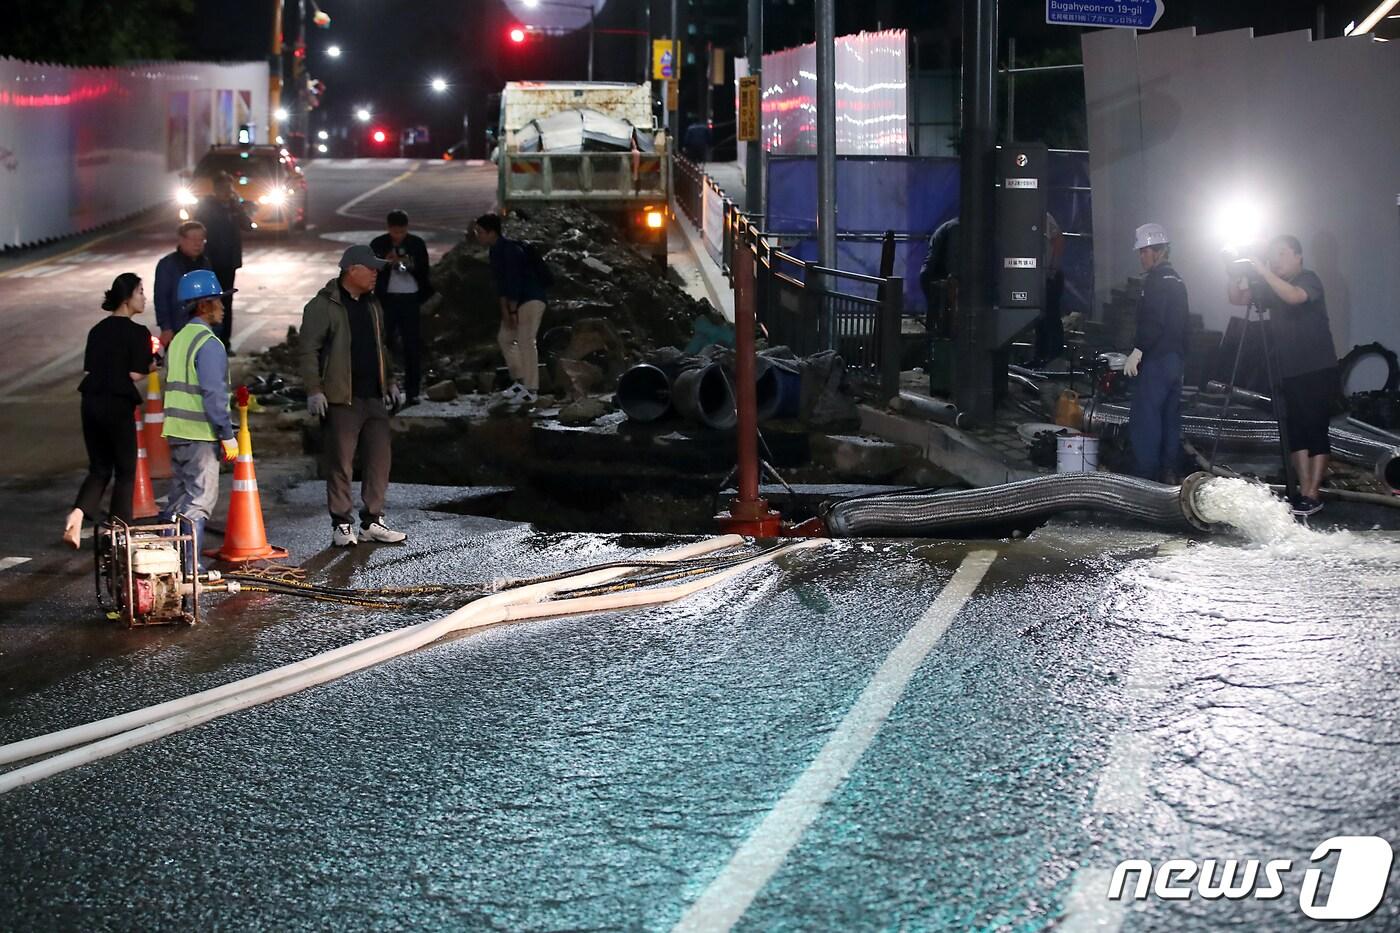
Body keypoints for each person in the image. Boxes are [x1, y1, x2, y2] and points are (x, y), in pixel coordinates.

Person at [299, 245, 407, 547]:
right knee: (341, 464)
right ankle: (342, 524)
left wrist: (391, 382)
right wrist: (314, 390)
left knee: (378, 462)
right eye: (370, 269)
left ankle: (372, 521)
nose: (375, 274)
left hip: (373, 397)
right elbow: (308, 350)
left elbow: (380, 347)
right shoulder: (322, 306)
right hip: (341, 399)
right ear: (351, 270)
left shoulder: (373, 305)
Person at [1228, 234, 1338, 515]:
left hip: (1316, 368)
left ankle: (1314, 493)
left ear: (1298, 256)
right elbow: (1238, 298)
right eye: (1272, 255)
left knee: (1315, 429)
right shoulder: (1273, 287)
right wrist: (1234, 272)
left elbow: (1294, 297)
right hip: (1288, 370)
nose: (1276, 260)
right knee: (1296, 432)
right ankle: (1303, 490)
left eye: (1282, 254)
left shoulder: (1308, 279)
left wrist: (1263, 270)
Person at [62, 274, 156, 547]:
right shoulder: (138, 332)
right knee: (126, 470)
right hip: (117, 404)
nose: (144, 297)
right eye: (140, 291)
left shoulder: (98, 330)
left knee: (100, 468)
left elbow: (90, 368)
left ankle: (77, 516)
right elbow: (136, 374)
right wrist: (154, 363)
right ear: (127, 298)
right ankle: (117, 532)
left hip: (90, 401)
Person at [161, 270, 240, 565]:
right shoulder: (209, 343)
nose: (222, 307)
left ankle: (167, 561)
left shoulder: (180, 340)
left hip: (177, 431)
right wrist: (226, 434)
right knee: (200, 500)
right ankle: (189, 565)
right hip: (200, 433)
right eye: (217, 301)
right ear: (204, 305)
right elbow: (213, 394)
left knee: (179, 498)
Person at [1123, 223, 1189, 483]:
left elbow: (1153, 321)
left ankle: (1145, 480)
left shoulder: (1156, 281)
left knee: (1146, 420)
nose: (1141, 256)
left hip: (1157, 360)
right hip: (1175, 361)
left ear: (1158, 251)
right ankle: (1169, 475)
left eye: (1144, 251)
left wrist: (1138, 350)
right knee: (1170, 420)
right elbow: (1185, 325)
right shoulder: (1178, 280)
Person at [474, 213, 548, 403]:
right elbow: (501, 285)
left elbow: (514, 282)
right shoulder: (495, 252)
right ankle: (520, 381)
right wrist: (505, 311)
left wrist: (513, 311)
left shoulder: (511, 251)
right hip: (515, 303)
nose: (477, 235)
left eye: (480, 232)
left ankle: (531, 390)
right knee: (505, 338)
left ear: (492, 233)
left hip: (530, 299)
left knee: (526, 341)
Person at [372, 209, 434, 407]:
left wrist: (408, 263)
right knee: (384, 344)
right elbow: (369, 268)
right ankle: (383, 389)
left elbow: (424, 270)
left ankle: (413, 391)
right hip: (387, 299)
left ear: (407, 229)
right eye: (394, 232)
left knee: (411, 345)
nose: (397, 236)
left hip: (411, 298)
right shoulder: (379, 244)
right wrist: (386, 262)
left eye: (401, 232)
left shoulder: (416, 244)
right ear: (389, 228)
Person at [194, 171, 250, 353]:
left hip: (229, 262)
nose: (227, 191)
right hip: (211, 261)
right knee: (209, 302)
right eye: (224, 188)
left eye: (229, 187)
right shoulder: (207, 206)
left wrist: (238, 207)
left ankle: (225, 342)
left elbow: (247, 225)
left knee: (226, 302)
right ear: (216, 189)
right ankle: (209, 340)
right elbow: (197, 227)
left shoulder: (233, 207)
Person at [153, 222, 211, 347]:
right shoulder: (167, 265)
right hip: (177, 328)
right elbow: (161, 298)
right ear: (181, 240)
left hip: (203, 326)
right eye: (193, 239)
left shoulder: (205, 263)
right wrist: (166, 327)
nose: (198, 243)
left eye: (201, 239)